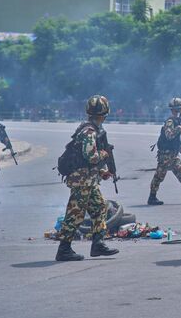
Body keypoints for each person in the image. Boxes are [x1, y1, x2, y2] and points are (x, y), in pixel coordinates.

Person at [56, 95, 119, 261]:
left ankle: (98, 244)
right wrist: (105, 154)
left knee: (99, 208)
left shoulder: (92, 130)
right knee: (75, 214)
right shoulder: (89, 132)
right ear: (103, 114)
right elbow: (91, 157)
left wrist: (102, 171)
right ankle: (64, 249)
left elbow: (88, 161)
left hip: (88, 179)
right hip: (81, 180)